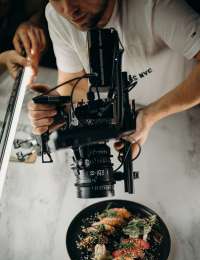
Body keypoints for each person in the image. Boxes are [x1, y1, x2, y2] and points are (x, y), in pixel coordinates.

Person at [28, 0, 200, 157]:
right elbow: (75, 83)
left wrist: (151, 115)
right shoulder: (57, 15)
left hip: (185, 105)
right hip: (132, 112)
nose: (68, 10)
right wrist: (61, 110)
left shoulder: (155, 5)